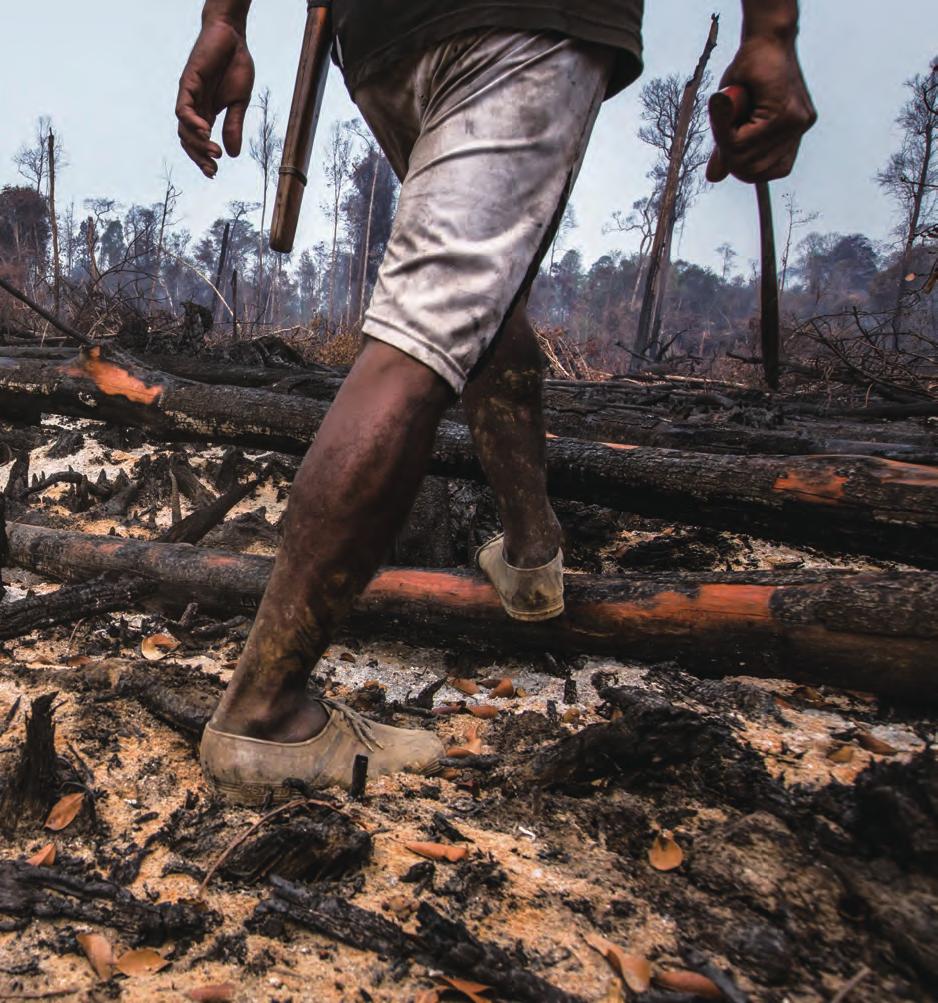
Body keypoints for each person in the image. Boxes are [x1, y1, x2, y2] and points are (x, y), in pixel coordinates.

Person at [176, 0, 816, 805]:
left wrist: (225, 19)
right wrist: (770, 34)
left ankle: (530, 555)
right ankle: (263, 710)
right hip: (523, 17)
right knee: (429, 325)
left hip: (377, 42)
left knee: (478, 291)